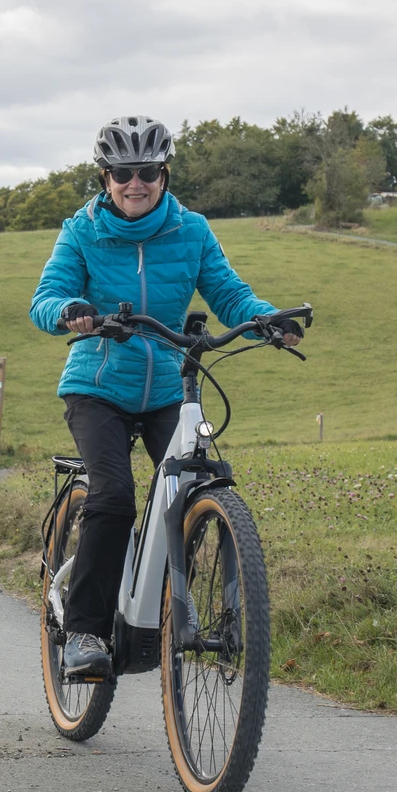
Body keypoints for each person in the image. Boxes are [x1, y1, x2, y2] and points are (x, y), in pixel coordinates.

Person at [28, 116, 301, 679]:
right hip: (98, 387)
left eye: (148, 172)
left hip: (168, 388)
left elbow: (229, 293)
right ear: (106, 179)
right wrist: (69, 311)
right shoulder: (81, 231)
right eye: (123, 173)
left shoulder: (191, 230)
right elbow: (46, 297)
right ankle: (83, 630)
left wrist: (266, 320)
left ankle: (172, 600)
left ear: (164, 175)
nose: (136, 183)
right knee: (114, 496)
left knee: (190, 485)